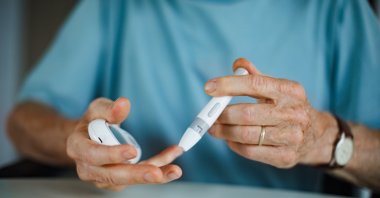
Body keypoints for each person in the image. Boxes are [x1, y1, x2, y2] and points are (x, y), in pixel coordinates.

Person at [7, 0, 380, 192]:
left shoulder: (335, 8)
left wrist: (325, 139)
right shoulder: (117, 6)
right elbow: (23, 121)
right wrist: (78, 139)